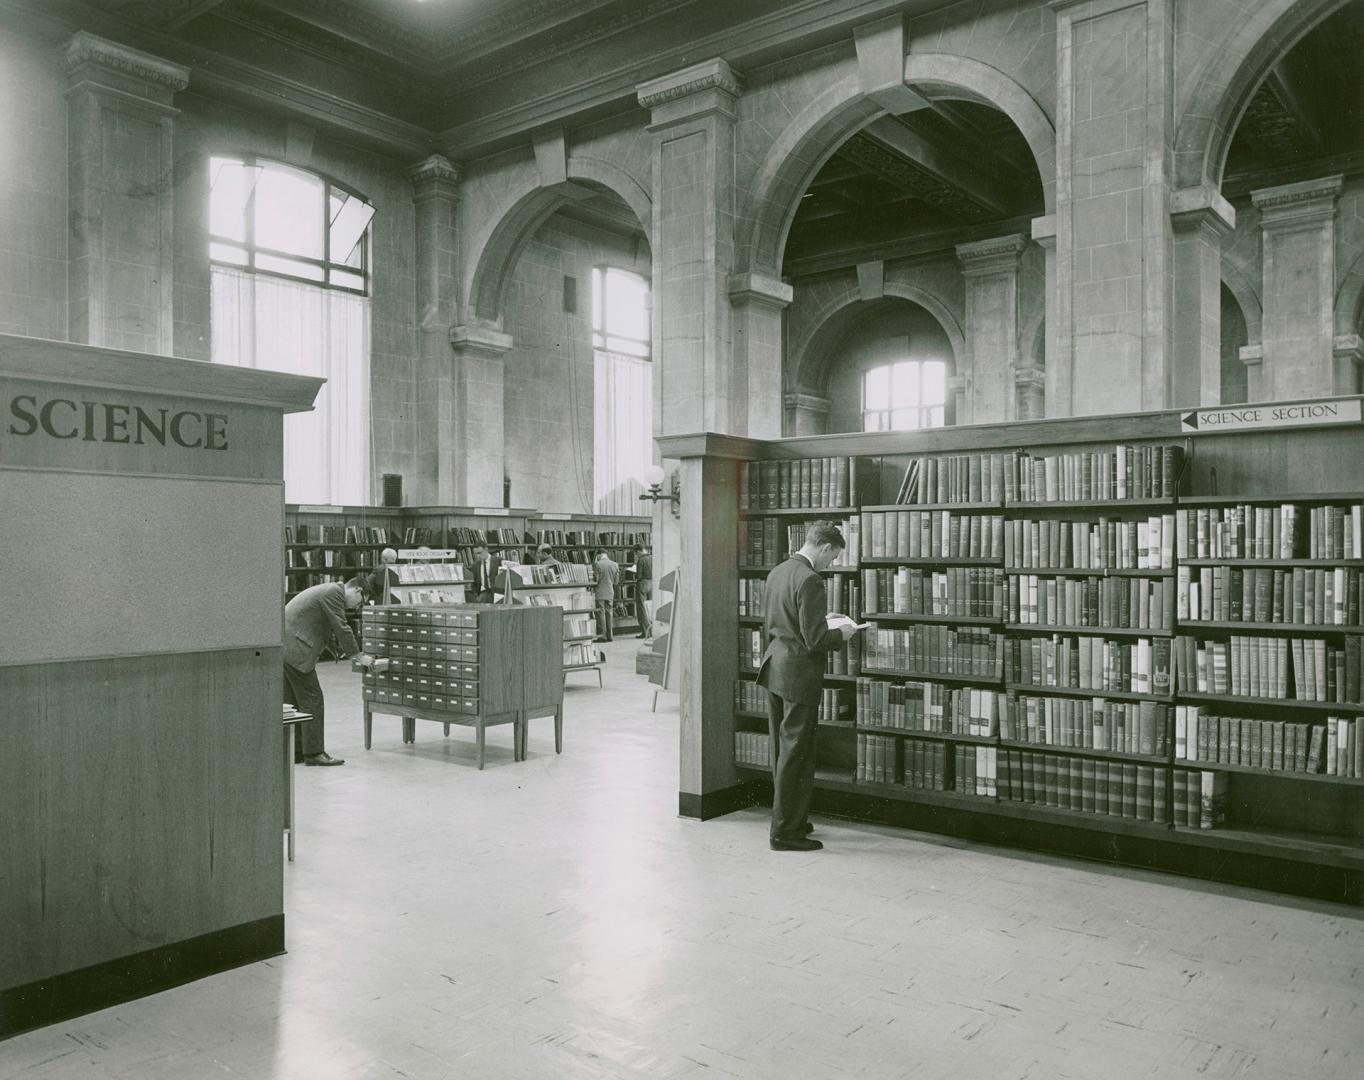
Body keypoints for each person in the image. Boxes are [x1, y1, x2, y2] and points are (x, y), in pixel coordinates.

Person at [755, 522, 860, 851]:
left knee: (782, 753)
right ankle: (785, 834)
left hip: (775, 667)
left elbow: (777, 622)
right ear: (825, 548)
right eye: (834, 558)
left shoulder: (779, 571)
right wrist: (842, 633)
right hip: (799, 674)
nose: (831, 564)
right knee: (796, 754)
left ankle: (790, 819)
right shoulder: (811, 579)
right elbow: (816, 639)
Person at [283, 576, 374, 767]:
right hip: (297, 648)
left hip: (287, 647)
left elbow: (325, 626)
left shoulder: (328, 590)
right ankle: (314, 753)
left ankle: (297, 751)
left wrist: (336, 650)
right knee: (312, 699)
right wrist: (357, 656)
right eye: (360, 602)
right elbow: (341, 626)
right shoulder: (334, 592)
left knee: (294, 702)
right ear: (357, 590)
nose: (357, 607)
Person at [592, 548, 619, 642]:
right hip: (610, 592)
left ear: (599, 555)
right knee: (609, 613)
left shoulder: (598, 564)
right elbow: (616, 582)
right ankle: (610, 635)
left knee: (601, 614)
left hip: (600, 592)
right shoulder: (615, 564)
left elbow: (596, 580)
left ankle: (603, 636)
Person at [630, 544, 653, 639]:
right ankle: (652, 630)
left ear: (638, 551)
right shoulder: (652, 557)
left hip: (643, 583)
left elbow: (638, 575)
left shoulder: (641, 560)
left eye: (636, 554)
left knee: (642, 608)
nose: (636, 556)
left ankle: (645, 631)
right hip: (652, 583)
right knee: (650, 607)